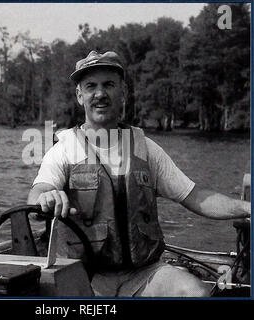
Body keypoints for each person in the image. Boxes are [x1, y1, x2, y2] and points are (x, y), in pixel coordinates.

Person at [27, 51, 251, 297]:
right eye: (91, 86)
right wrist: (47, 197)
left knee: (194, 292)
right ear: (80, 96)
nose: (100, 94)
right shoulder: (63, 150)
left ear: (122, 93)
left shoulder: (147, 149)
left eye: (109, 85)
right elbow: (38, 192)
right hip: (82, 276)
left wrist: (247, 208)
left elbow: (194, 196)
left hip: (143, 273)